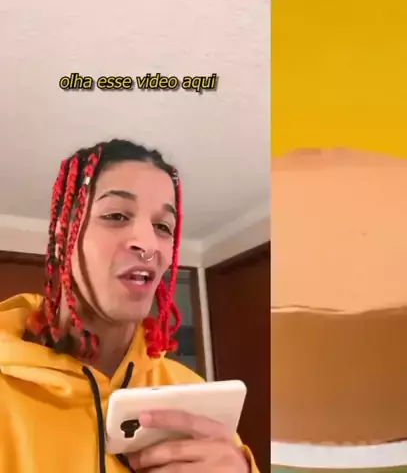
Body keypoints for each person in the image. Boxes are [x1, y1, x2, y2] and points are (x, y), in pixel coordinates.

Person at [0, 139, 258, 473]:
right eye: (116, 215)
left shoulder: (191, 394)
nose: (148, 244)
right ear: (64, 236)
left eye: (162, 227)